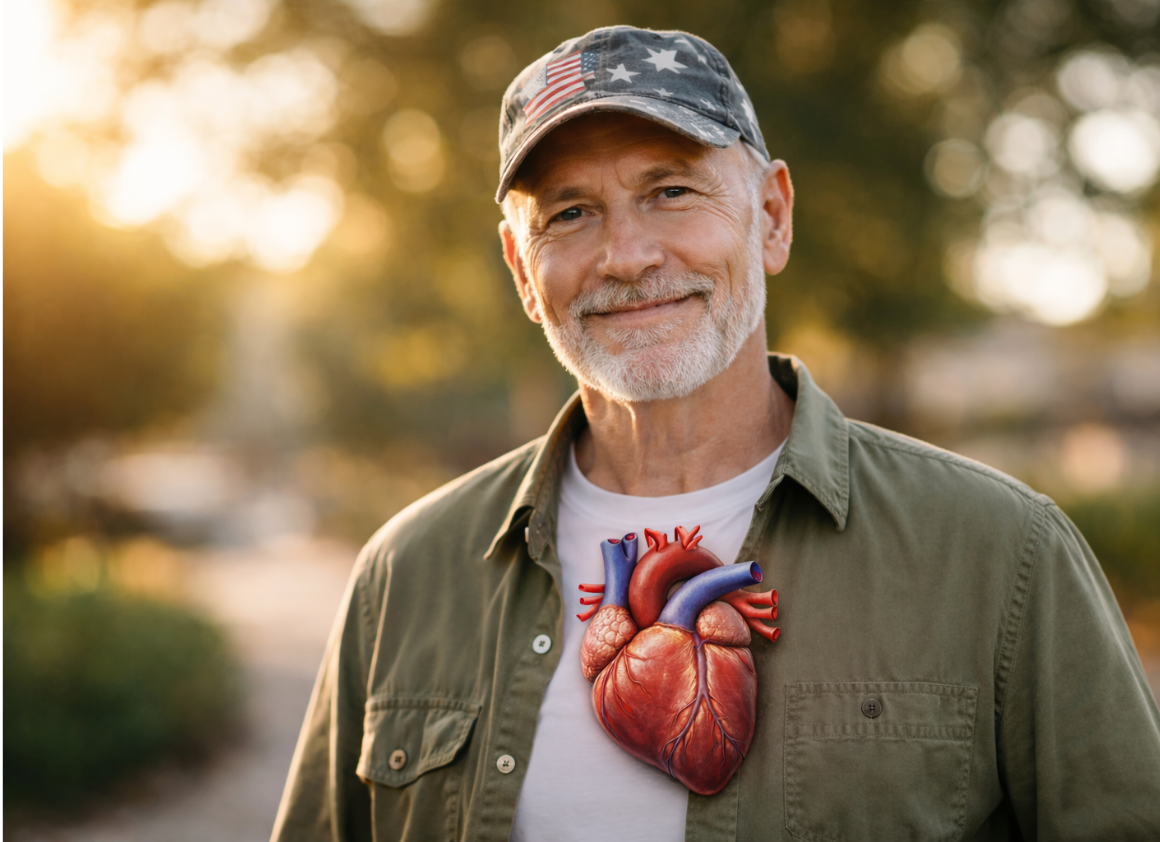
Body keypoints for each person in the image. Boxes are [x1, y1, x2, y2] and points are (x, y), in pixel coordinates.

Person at [271, 25, 1160, 842]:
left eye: (671, 191)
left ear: (772, 216)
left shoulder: (1000, 556)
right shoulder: (405, 575)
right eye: (570, 213)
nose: (627, 256)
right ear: (523, 272)